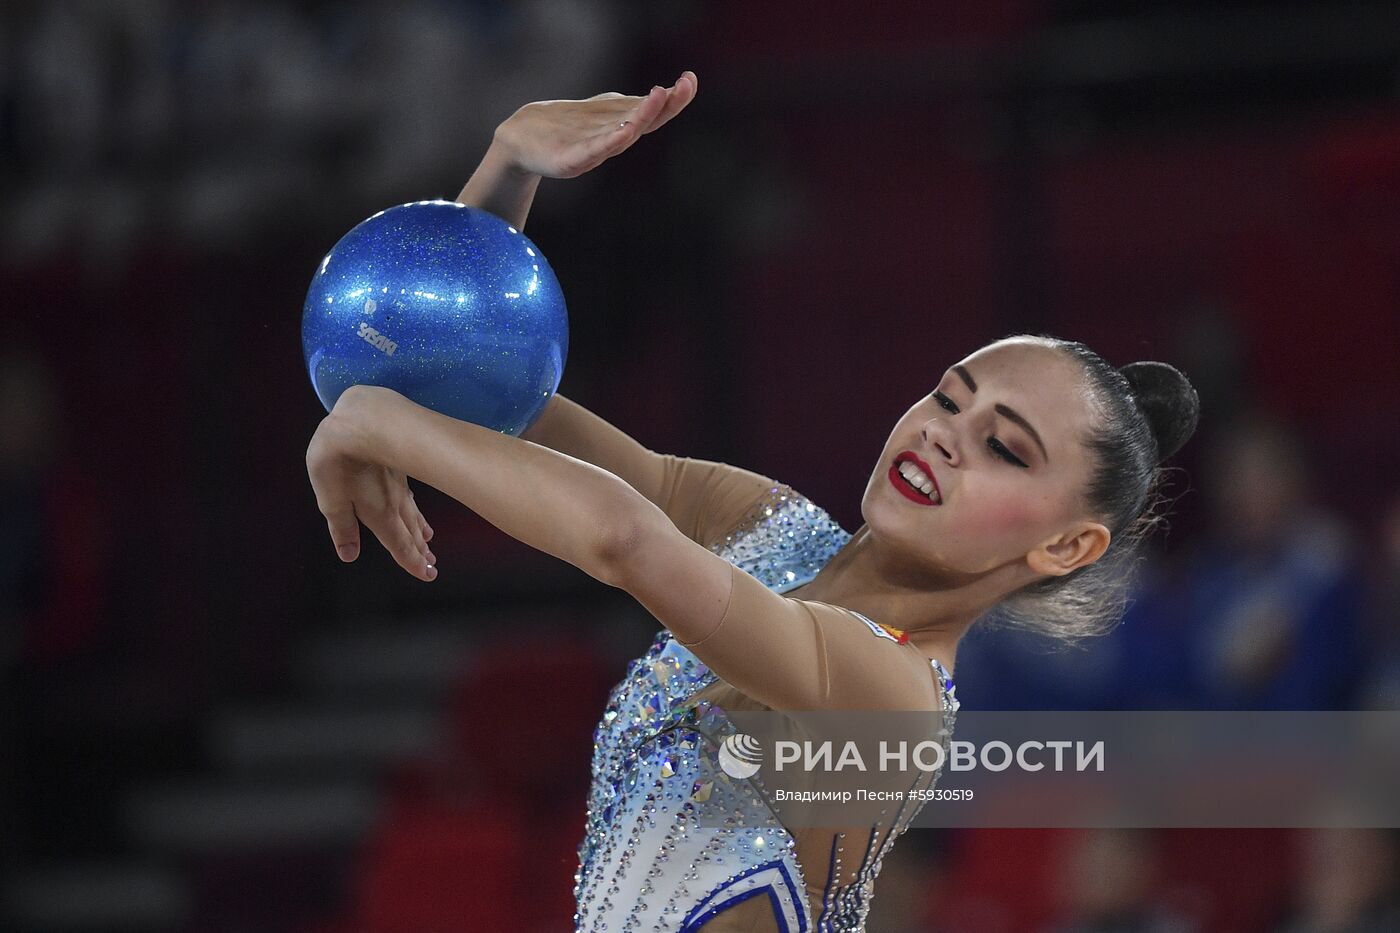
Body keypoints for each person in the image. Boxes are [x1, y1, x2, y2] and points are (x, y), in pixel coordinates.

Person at [304, 71, 1201, 932]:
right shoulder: (773, 528)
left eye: (1003, 447)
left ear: (1066, 546)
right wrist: (508, 173)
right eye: (946, 397)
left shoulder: (897, 699)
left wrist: (379, 421)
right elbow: (493, 399)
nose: (943, 435)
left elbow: (625, 540)